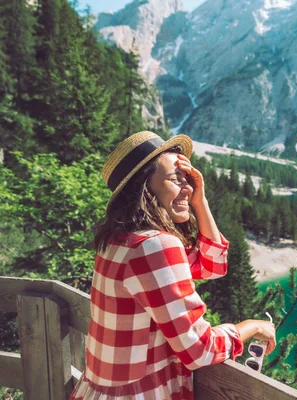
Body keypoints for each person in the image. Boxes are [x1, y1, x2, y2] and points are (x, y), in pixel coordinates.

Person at [70, 131, 276, 399]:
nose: (188, 187)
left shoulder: (119, 241)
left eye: (187, 179)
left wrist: (199, 201)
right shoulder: (154, 246)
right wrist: (253, 326)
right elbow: (200, 350)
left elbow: (212, 266)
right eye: (175, 179)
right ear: (144, 187)